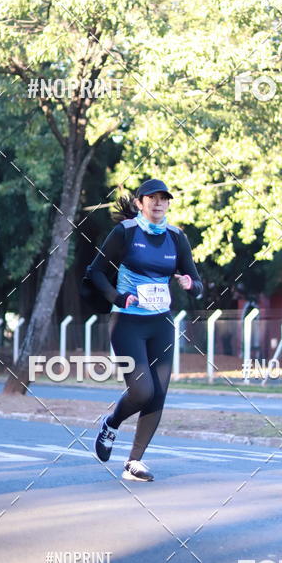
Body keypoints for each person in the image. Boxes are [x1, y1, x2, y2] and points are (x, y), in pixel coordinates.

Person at [88, 179, 203, 481]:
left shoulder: (177, 237)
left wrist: (192, 285)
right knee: (142, 390)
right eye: (151, 198)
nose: (158, 202)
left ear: (168, 204)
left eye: (163, 198)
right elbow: (94, 272)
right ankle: (111, 424)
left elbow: (197, 282)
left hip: (161, 323)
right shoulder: (125, 233)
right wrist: (117, 297)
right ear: (140, 203)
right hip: (127, 322)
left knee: (158, 395)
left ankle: (134, 463)